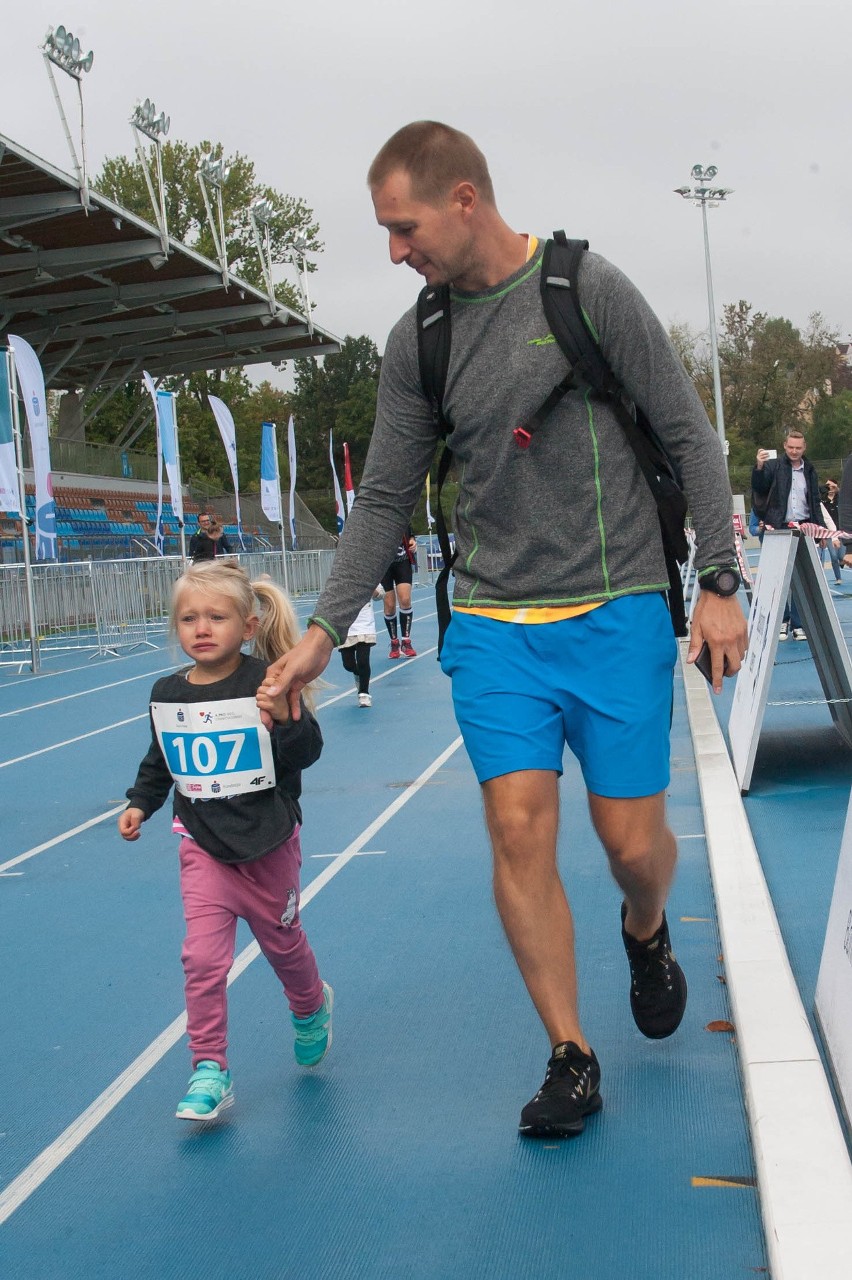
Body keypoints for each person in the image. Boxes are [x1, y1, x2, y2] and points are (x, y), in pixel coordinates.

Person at [258, 121, 747, 1140]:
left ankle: (646, 927)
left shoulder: (586, 289)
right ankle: (571, 1051)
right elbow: (386, 498)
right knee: (518, 824)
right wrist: (319, 629)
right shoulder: (417, 341)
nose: (396, 252)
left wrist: (719, 579)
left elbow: (691, 435)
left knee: (629, 844)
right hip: (490, 624)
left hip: (614, 608)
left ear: (465, 199)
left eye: (404, 227)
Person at [119, 560, 331, 1122]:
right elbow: (161, 758)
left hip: (267, 842)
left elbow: (306, 753)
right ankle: (209, 1068)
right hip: (203, 845)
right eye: (189, 618)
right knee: (201, 959)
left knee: (282, 945)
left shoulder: (268, 679)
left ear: (249, 625)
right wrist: (141, 802)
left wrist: (285, 721)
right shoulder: (166, 692)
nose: (202, 628)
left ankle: (310, 1008)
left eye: (216, 616)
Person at [752, 430, 825, 639]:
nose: (794, 451)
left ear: (804, 448)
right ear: (785, 446)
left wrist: (820, 531)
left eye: (798, 448)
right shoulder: (774, 466)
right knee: (778, 578)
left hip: (804, 527)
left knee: (802, 578)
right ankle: (781, 621)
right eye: (791, 447)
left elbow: (815, 502)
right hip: (779, 527)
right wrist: (758, 466)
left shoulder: (810, 470)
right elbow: (759, 487)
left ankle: (798, 624)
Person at [340, 590, 381, 707]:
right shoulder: (341, 578)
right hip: (346, 624)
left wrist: (374, 591)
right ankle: (358, 674)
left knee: (363, 660)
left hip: (364, 624)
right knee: (348, 665)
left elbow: (380, 595)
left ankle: (364, 693)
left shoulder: (368, 574)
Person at [381, 526, 418, 657]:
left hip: (402, 560)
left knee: (405, 599)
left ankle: (406, 641)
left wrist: (412, 540)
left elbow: (410, 530)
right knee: (390, 605)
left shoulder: (400, 509)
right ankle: (394, 642)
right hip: (383, 563)